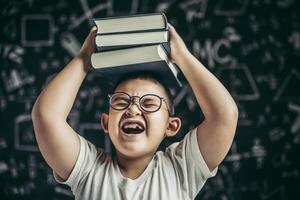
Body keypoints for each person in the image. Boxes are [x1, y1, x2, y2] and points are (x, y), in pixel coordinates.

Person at [32, 23, 239, 200]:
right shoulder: (88, 169)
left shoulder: (180, 169)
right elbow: (46, 116)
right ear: (106, 122)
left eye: (149, 104)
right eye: (121, 101)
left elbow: (224, 116)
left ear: (171, 125)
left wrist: (182, 56)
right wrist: (85, 57)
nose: (132, 109)